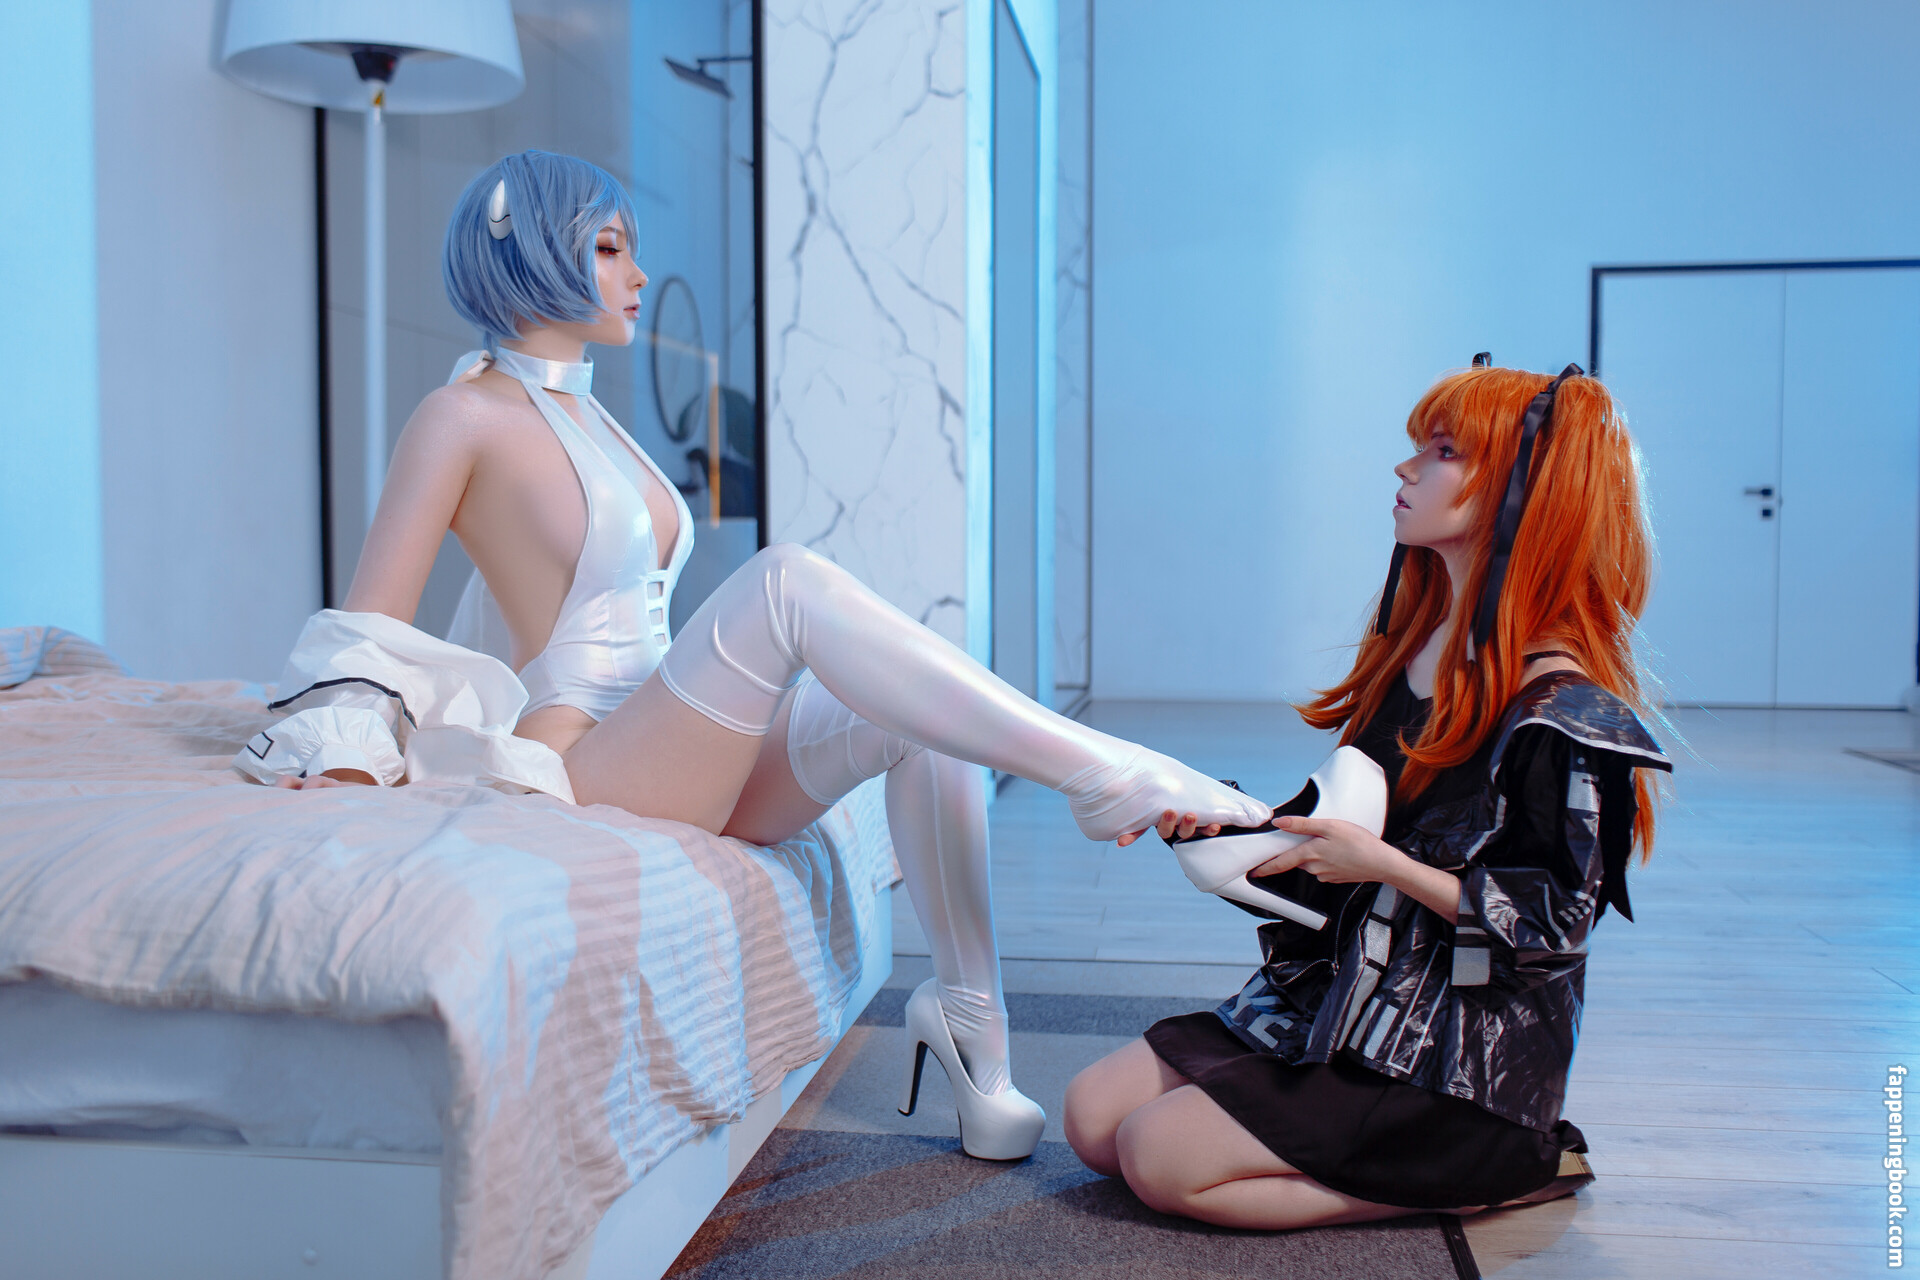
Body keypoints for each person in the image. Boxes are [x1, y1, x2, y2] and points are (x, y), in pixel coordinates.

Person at [233, 149, 1269, 1161]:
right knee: (787, 581)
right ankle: (1107, 773)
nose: (639, 274)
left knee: (917, 707)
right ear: (530, 252)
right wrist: (343, 760)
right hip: (588, 761)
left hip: (672, 745)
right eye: (609, 247)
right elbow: (371, 623)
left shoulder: (590, 413)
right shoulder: (460, 415)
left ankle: (973, 1031)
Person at [1060, 359, 1673, 1224]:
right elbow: (1329, 855)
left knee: (1160, 1158)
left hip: (1457, 1065)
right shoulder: (1412, 654)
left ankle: (1505, 1172)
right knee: (1092, 1118)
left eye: (1445, 451)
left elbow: (1549, 930)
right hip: (1339, 1006)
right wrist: (1200, 817)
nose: (1405, 467)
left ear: (1526, 490)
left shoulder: (1560, 712)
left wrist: (1382, 866)